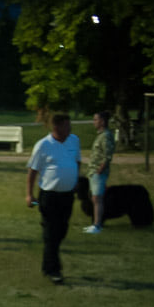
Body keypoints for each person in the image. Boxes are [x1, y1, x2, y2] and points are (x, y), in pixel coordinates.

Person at [26, 113, 82, 284]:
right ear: (56, 127)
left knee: (61, 231)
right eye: (67, 126)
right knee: (51, 233)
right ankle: (54, 270)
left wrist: (75, 180)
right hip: (49, 195)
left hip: (67, 195)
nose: (70, 129)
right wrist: (29, 195)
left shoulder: (74, 140)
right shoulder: (43, 145)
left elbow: (77, 161)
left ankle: (47, 265)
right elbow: (33, 171)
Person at [84, 110, 115, 234]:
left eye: (96, 120)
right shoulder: (100, 135)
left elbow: (107, 155)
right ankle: (95, 223)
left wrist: (100, 169)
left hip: (98, 172)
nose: (94, 122)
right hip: (93, 171)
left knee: (97, 198)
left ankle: (97, 225)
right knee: (95, 198)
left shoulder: (106, 136)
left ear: (102, 121)